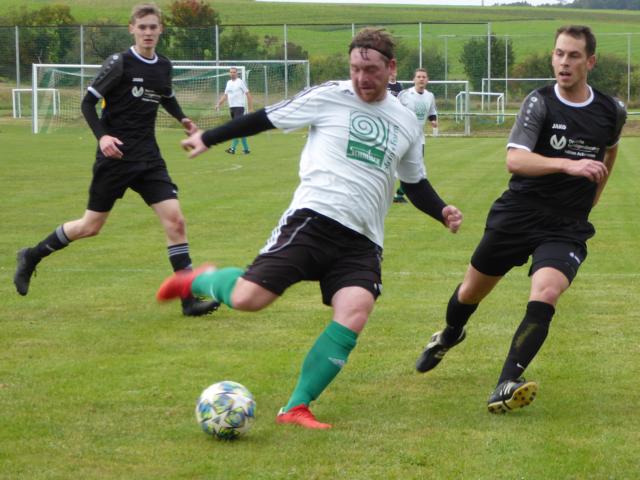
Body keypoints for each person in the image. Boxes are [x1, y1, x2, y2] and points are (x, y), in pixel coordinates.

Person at [157, 28, 463, 429]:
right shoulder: (329, 95)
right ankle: (200, 280)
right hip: (314, 219)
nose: (361, 78)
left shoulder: (406, 119)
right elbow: (267, 117)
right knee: (249, 299)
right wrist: (209, 137)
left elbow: (414, 181)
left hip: (364, 239)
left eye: (370, 70)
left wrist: (441, 211)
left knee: (356, 309)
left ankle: (296, 407)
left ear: (391, 68)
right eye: (355, 69)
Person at [415, 25, 626, 414]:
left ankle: (506, 383)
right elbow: (515, 159)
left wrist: (593, 195)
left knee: (546, 292)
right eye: (559, 54)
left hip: (566, 225)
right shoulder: (539, 102)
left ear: (591, 61)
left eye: (574, 55)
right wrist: (568, 164)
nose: (564, 62)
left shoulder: (611, 111)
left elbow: (609, 152)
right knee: (470, 293)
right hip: (519, 213)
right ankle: (450, 334)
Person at [13, 3, 219, 317]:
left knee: (176, 221)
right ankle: (32, 255)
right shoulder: (119, 63)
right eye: (142, 27)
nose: (148, 32)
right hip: (116, 158)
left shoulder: (163, 65)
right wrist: (103, 137)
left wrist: (183, 119)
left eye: (153, 27)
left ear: (161, 30)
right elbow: (87, 104)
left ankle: (188, 300)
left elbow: (165, 95)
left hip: (149, 158)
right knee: (90, 226)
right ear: (132, 29)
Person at [394, 68, 438, 203]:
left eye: (424, 77)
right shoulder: (405, 95)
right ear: (414, 79)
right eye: (418, 77)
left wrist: (433, 120)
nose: (421, 79)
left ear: (427, 80)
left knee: (415, 169)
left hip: (418, 138)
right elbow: (394, 110)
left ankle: (399, 194)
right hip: (402, 135)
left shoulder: (430, 96)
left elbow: (432, 111)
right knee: (393, 165)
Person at [216, 67, 253, 155]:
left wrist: (251, 108)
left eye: (234, 72)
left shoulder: (240, 82)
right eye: (231, 72)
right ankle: (246, 149)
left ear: (237, 73)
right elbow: (225, 95)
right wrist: (218, 104)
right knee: (240, 130)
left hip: (239, 108)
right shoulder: (228, 83)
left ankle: (232, 149)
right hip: (232, 108)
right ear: (229, 73)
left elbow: (248, 94)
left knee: (236, 128)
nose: (232, 73)